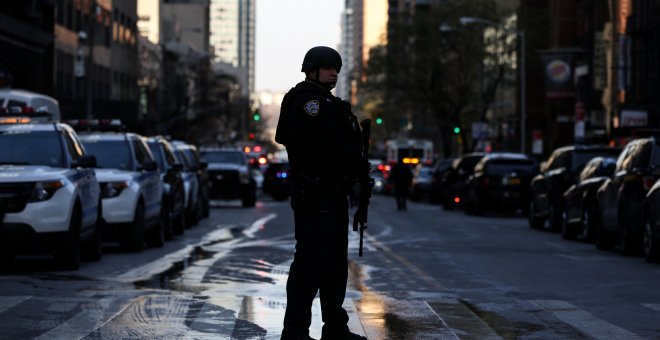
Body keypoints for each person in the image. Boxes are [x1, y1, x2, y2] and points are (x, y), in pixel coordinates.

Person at [275, 46, 369, 340]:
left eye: (336, 69)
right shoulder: (308, 103)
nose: (334, 73)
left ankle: (335, 327)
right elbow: (326, 147)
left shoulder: (328, 103)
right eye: (328, 67)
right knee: (309, 265)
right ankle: (295, 331)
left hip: (332, 195)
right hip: (316, 195)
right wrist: (354, 160)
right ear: (312, 69)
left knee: (334, 266)